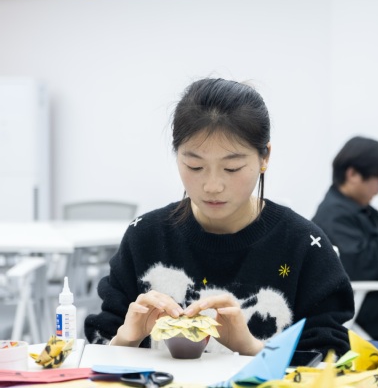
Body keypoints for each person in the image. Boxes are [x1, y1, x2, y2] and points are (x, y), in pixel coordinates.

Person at [84, 78, 353, 358]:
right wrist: (125, 339)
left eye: (232, 168)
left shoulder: (303, 245)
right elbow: (98, 344)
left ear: (264, 157)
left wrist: (251, 348)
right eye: (195, 166)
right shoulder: (145, 237)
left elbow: (332, 355)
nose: (212, 186)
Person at [312, 137, 378, 345]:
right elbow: (361, 266)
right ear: (352, 174)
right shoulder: (333, 216)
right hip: (372, 313)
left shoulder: (362, 211)